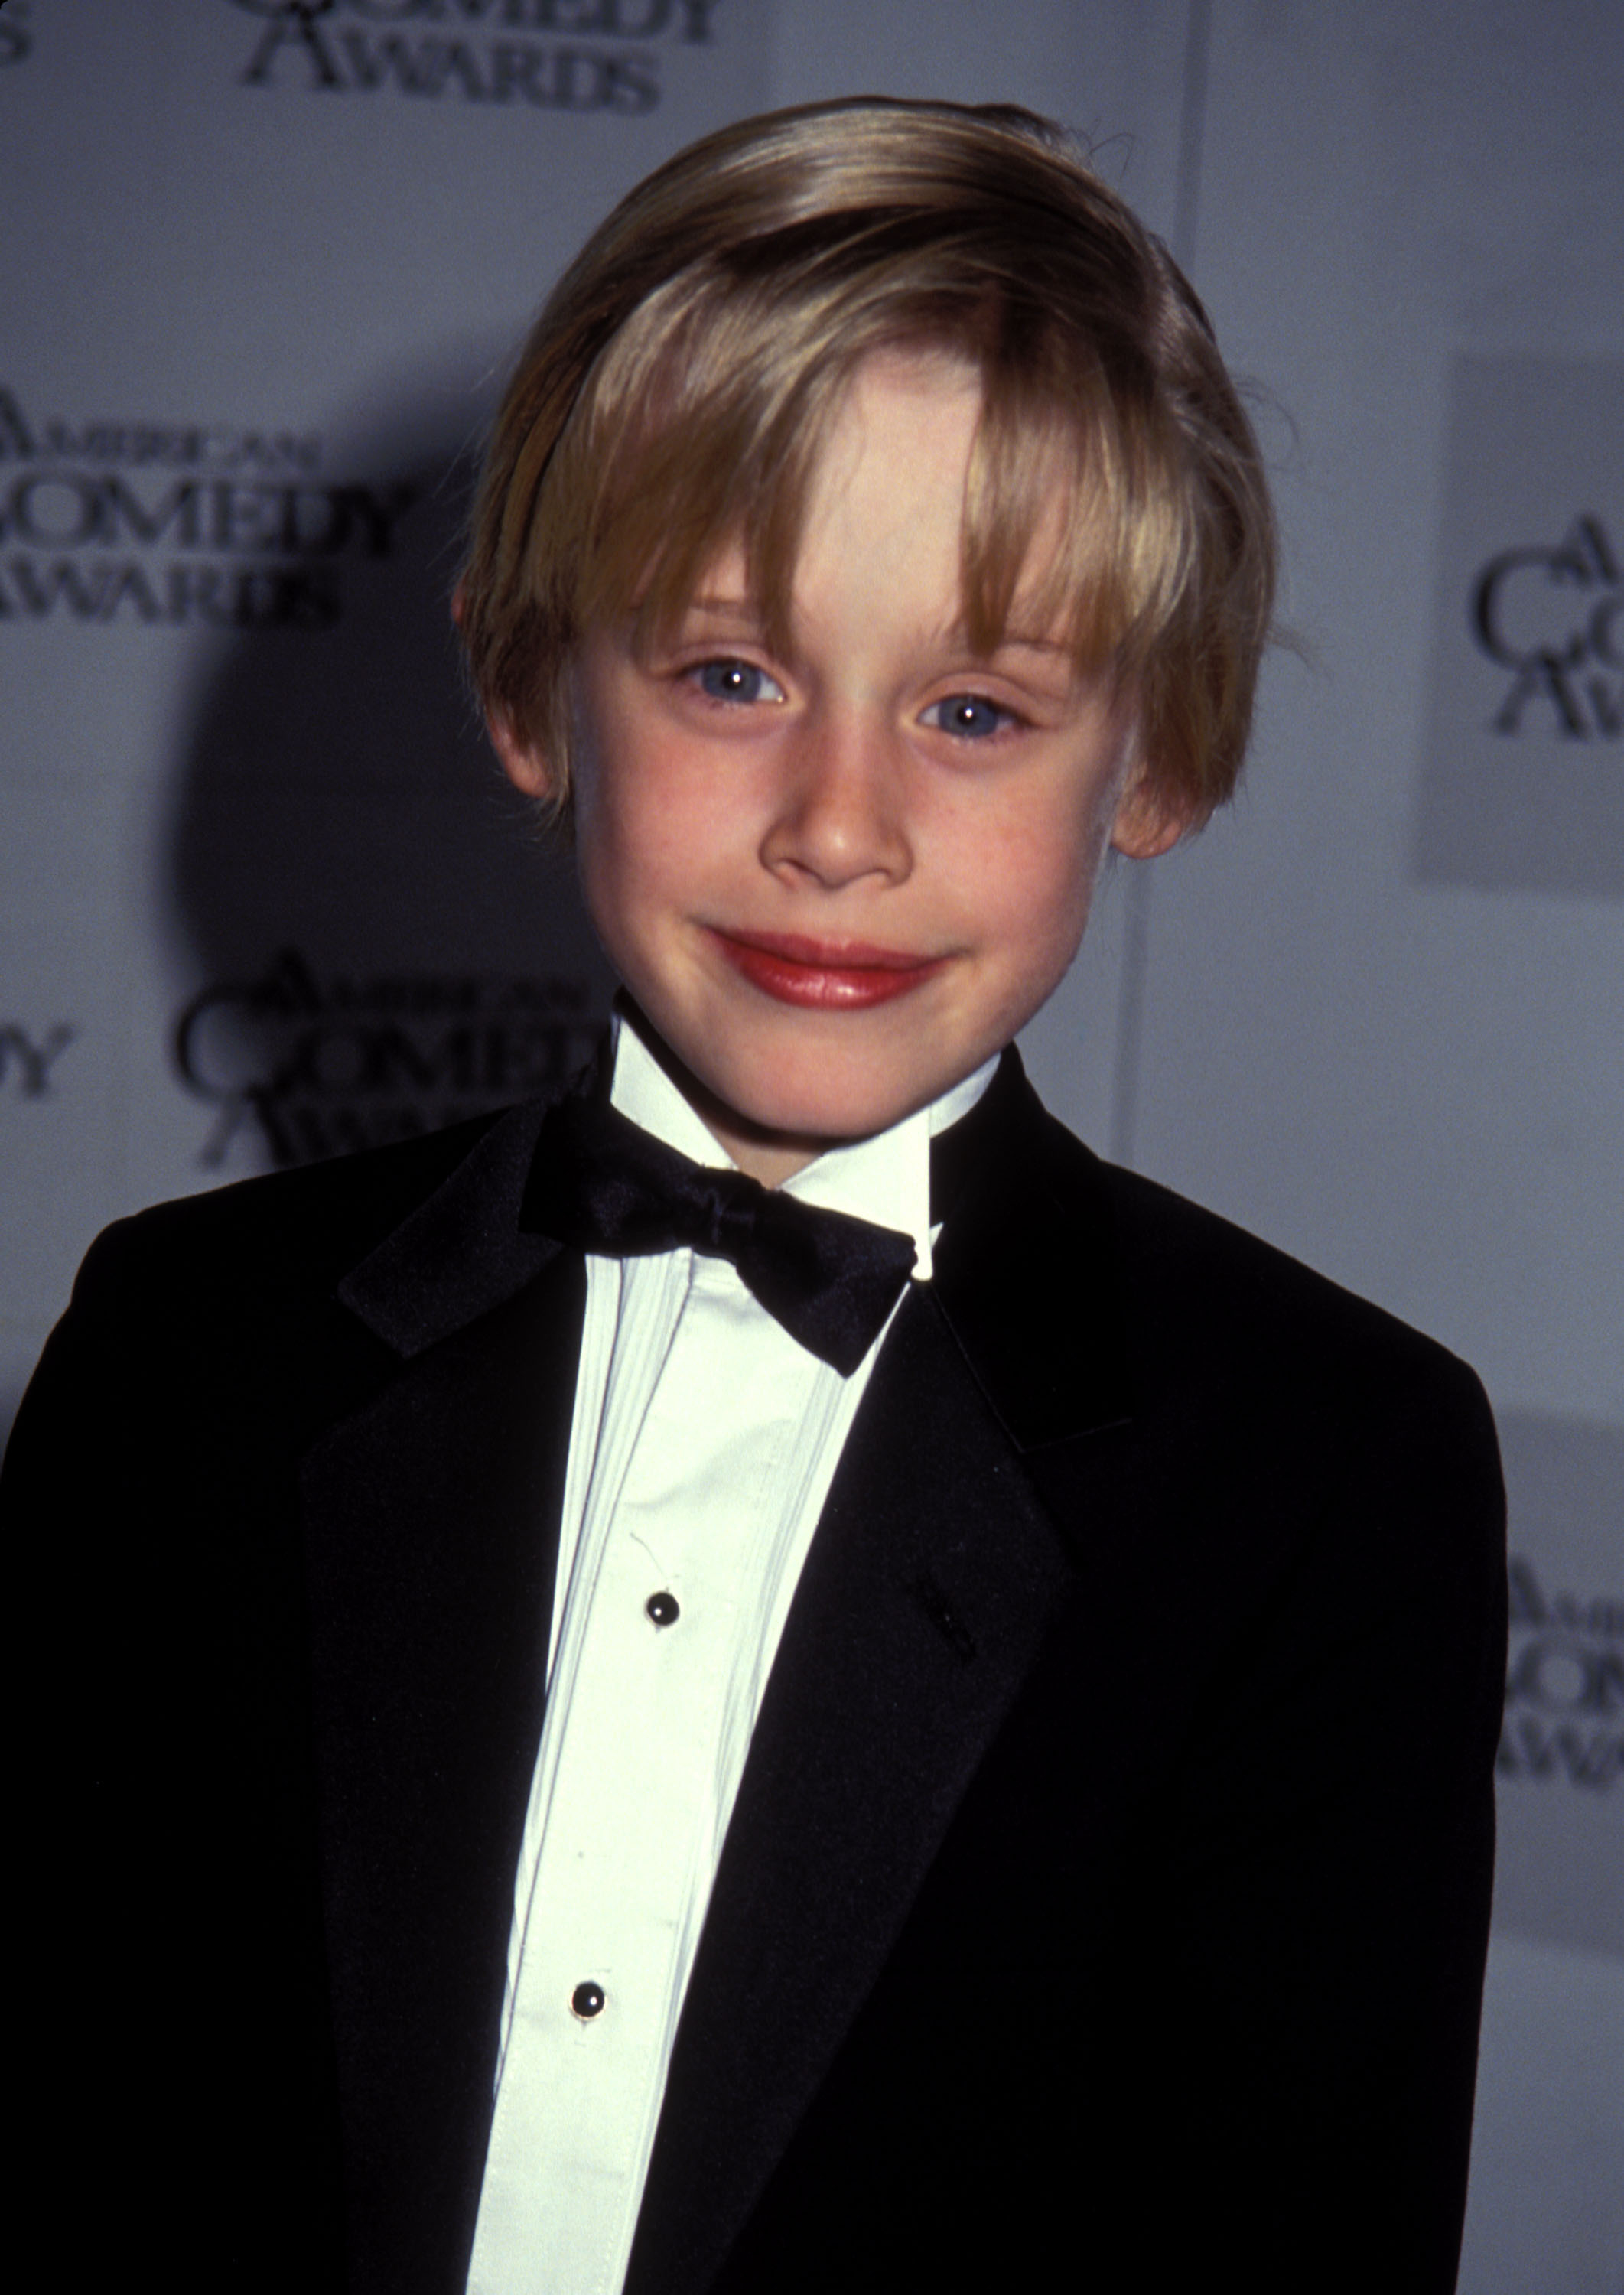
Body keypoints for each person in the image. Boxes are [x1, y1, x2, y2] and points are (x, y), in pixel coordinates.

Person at [3, 97, 1505, 2295]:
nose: (836, 820)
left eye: (976, 708)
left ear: (1158, 761)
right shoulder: (189, 1346)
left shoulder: (1319, 1470)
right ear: (531, 691)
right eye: (732, 673)